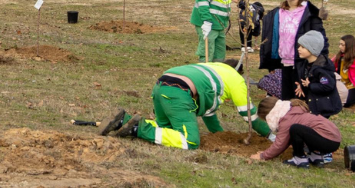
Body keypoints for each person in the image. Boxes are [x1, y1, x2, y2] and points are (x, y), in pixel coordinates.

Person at [100, 60, 253, 151]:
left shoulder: (212, 69)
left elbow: (208, 112)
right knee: (190, 141)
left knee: (167, 129)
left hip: (161, 86)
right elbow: (251, 115)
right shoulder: (235, 80)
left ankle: (123, 121)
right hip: (177, 93)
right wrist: (271, 135)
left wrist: (220, 135)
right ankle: (137, 129)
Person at [258, 0, 327, 100]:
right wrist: (271, 63)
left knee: (300, 98)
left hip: (302, 62)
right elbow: (271, 39)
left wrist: (320, 63)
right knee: (286, 98)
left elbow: (320, 39)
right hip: (285, 61)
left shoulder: (309, 14)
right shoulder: (277, 13)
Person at [250, 96, 341, 167]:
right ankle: (316, 157)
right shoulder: (292, 111)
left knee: (295, 129)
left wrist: (263, 156)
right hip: (334, 139)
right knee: (304, 131)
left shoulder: (286, 119)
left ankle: (299, 158)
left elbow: (280, 144)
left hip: (328, 140)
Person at [291, 30, 342, 118]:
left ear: (312, 50)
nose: (298, 49)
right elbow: (307, 79)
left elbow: (328, 86)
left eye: (303, 47)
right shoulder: (305, 64)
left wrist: (310, 85)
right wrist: (302, 86)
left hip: (323, 106)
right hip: (313, 104)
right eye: (299, 46)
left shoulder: (322, 68)